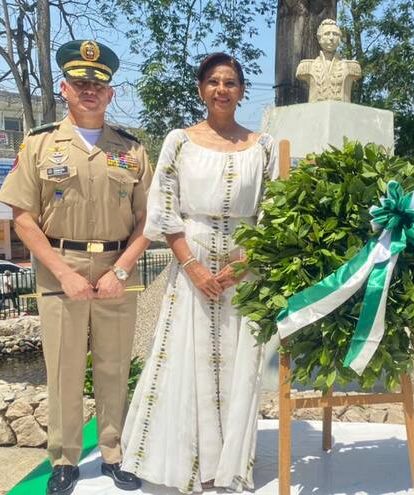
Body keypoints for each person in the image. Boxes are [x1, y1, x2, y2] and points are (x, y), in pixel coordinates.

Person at [0, 39, 153, 495]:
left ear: (111, 94)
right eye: (80, 82)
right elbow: (22, 217)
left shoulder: (132, 151)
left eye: (98, 85)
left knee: (114, 365)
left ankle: (113, 453)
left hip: (116, 267)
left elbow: (149, 220)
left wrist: (120, 270)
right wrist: (63, 272)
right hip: (58, 265)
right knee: (63, 369)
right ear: (65, 88)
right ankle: (64, 459)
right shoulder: (40, 145)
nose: (89, 90)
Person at [120, 52, 278, 494]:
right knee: (188, 360)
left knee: (238, 362)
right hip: (192, 258)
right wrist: (191, 265)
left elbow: (273, 210)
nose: (222, 89)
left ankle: (231, 462)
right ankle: (192, 461)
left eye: (230, 82)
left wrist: (245, 262)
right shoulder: (179, 141)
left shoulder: (263, 145)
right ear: (200, 89)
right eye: (213, 81)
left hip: (244, 268)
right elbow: (163, 207)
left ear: (242, 90)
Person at [295, 18, 361, 102]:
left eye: (335, 34)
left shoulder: (351, 66)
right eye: (327, 34)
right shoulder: (307, 66)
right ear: (319, 38)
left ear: (339, 39)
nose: (331, 38)